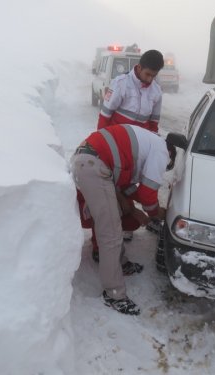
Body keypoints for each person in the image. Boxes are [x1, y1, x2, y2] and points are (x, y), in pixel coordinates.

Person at [71, 124, 176, 315]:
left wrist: (138, 210)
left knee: (114, 218)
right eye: (166, 167)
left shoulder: (145, 144)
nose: (163, 169)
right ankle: (113, 295)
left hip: (89, 161)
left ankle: (119, 261)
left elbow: (127, 187)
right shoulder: (161, 150)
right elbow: (146, 192)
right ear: (170, 154)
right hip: (93, 165)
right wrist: (155, 213)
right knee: (110, 231)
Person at [95, 49, 165, 247]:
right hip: (117, 146)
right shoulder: (120, 84)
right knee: (119, 184)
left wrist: (152, 148)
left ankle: (148, 216)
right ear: (139, 67)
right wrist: (102, 147)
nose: (150, 79)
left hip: (139, 148)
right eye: (148, 74)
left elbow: (153, 124)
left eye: (154, 75)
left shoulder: (156, 92)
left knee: (142, 181)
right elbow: (104, 117)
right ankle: (125, 223)